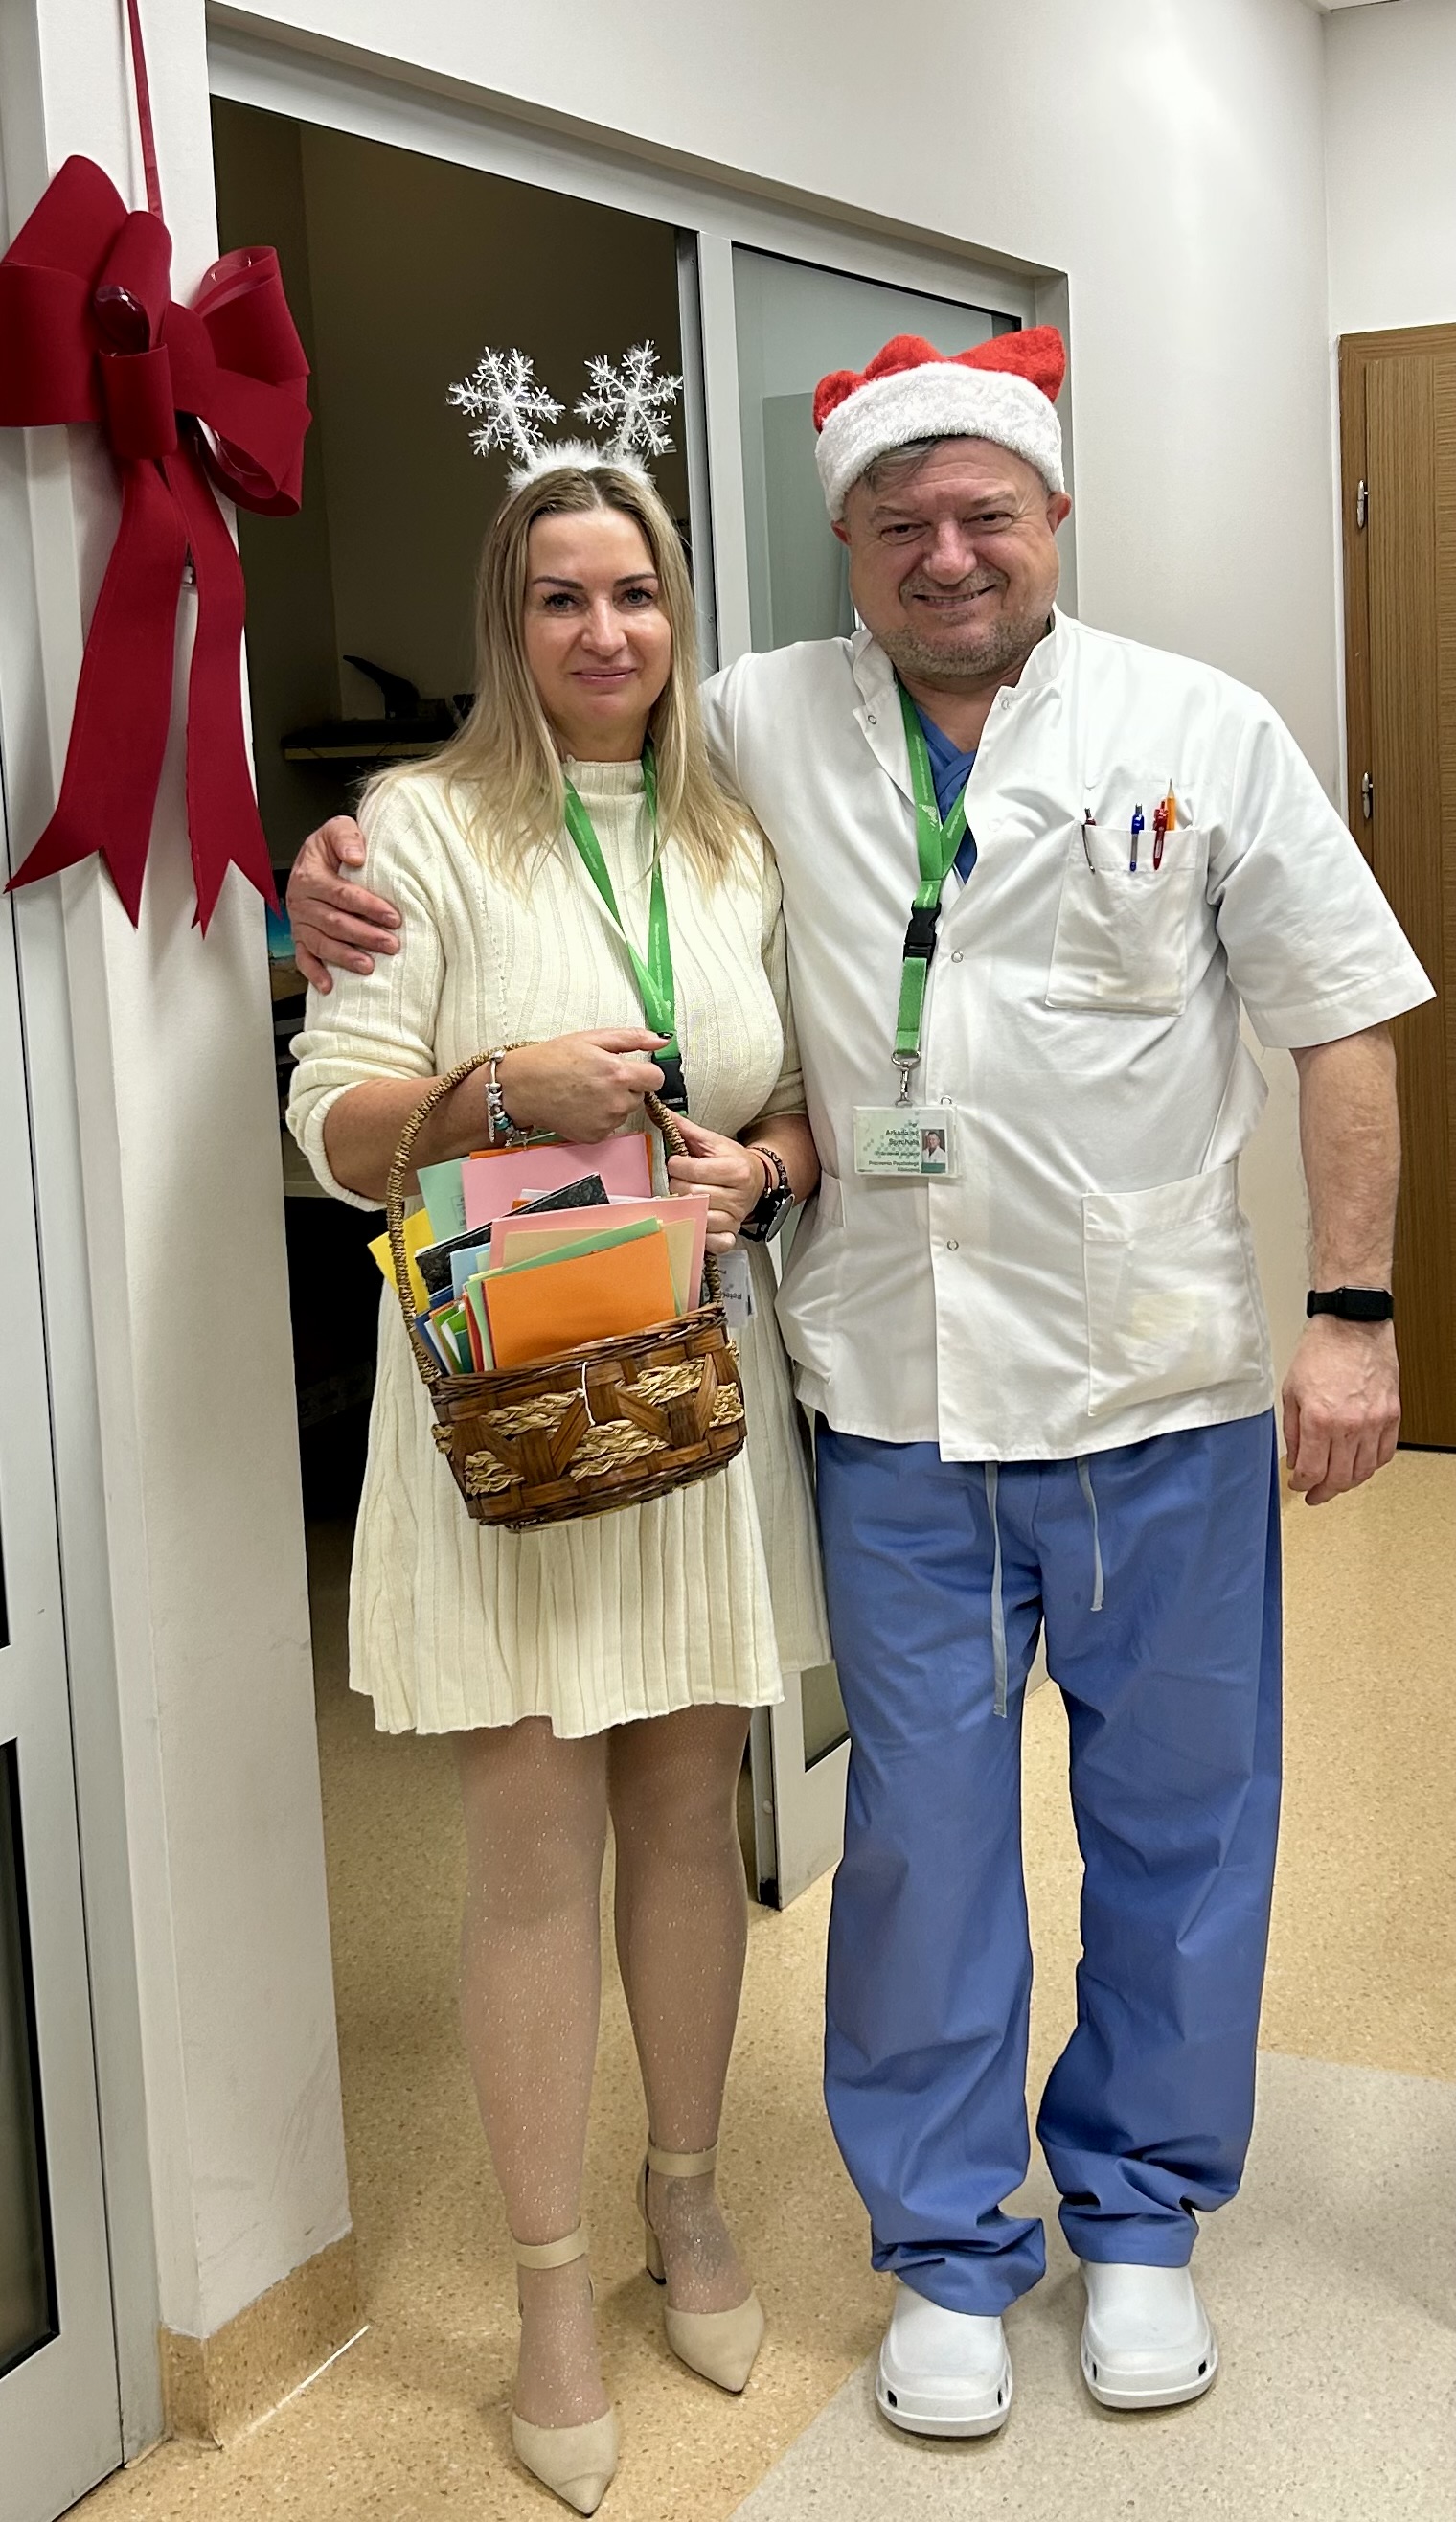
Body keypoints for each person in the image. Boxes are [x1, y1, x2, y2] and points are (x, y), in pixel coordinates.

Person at [286, 327, 1430, 2442]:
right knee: (916, 1843)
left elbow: (1343, 1013)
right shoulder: (752, 728)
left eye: (986, 513)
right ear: (844, 544)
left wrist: (1351, 1309)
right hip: (891, 1401)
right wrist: (330, 868)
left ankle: (1144, 2211)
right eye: (900, 522)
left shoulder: (1201, 727)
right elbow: (547, 776)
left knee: (1183, 1824)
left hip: (1160, 1384)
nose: (946, 553)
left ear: (1054, 518)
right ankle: (946, 2242)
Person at [287, 446, 829, 2515]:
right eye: (560, 596)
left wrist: (757, 1165)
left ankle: (683, 2193)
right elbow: (329, 1125)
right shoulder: (418, 832)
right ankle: (541, 2294)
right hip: (505, 1419)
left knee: (690, 1816)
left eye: (637, 592)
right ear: (507, 621)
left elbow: (805, 1102)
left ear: (678, 615)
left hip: (683, 1398)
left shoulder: (731, 837)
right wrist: (494, 1091)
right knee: (531, 1849)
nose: (607, 631)